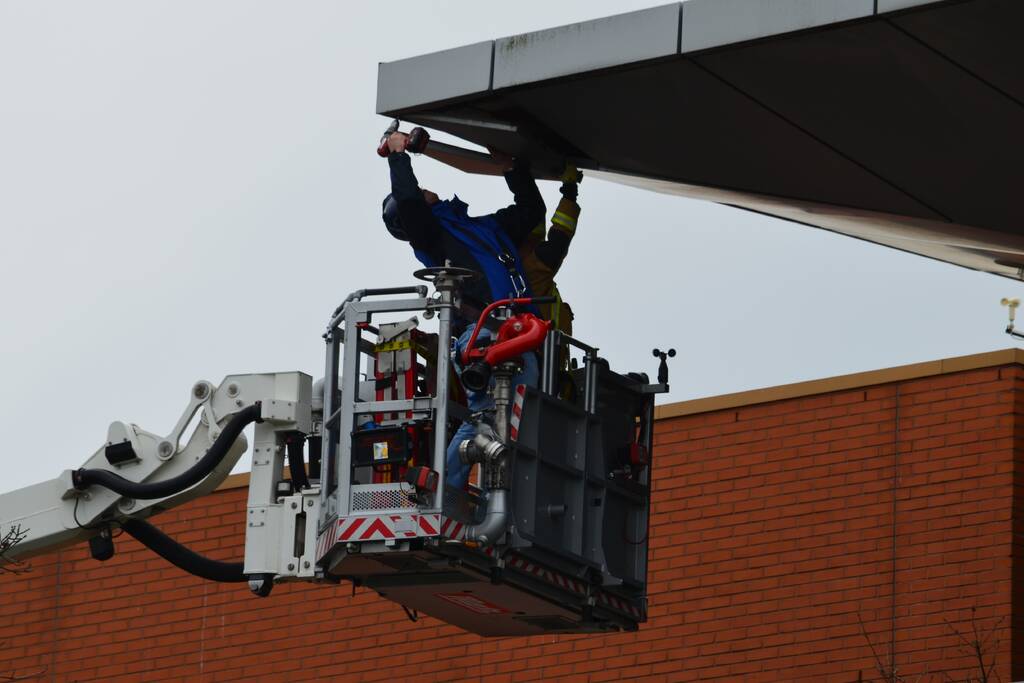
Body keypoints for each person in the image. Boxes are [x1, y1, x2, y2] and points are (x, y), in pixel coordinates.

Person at [380, 132, 544, 489]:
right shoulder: (432, 237)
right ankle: (442, 496)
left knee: (516, 427)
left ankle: (492, 500)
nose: (424, 190)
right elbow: (409, 203)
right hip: (484, 336)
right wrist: (397, 155)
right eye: (417, 191)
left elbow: (533, 212)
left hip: (520, 334)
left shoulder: (482, 228)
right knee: (485, 419)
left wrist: (511, 170)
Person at [518, 165, 581, 338]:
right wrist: (569, 193)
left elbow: (538, 224)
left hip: (545, 353)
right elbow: (558, 240)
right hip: (543, 352)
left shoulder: (528, 272)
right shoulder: (532, 273)